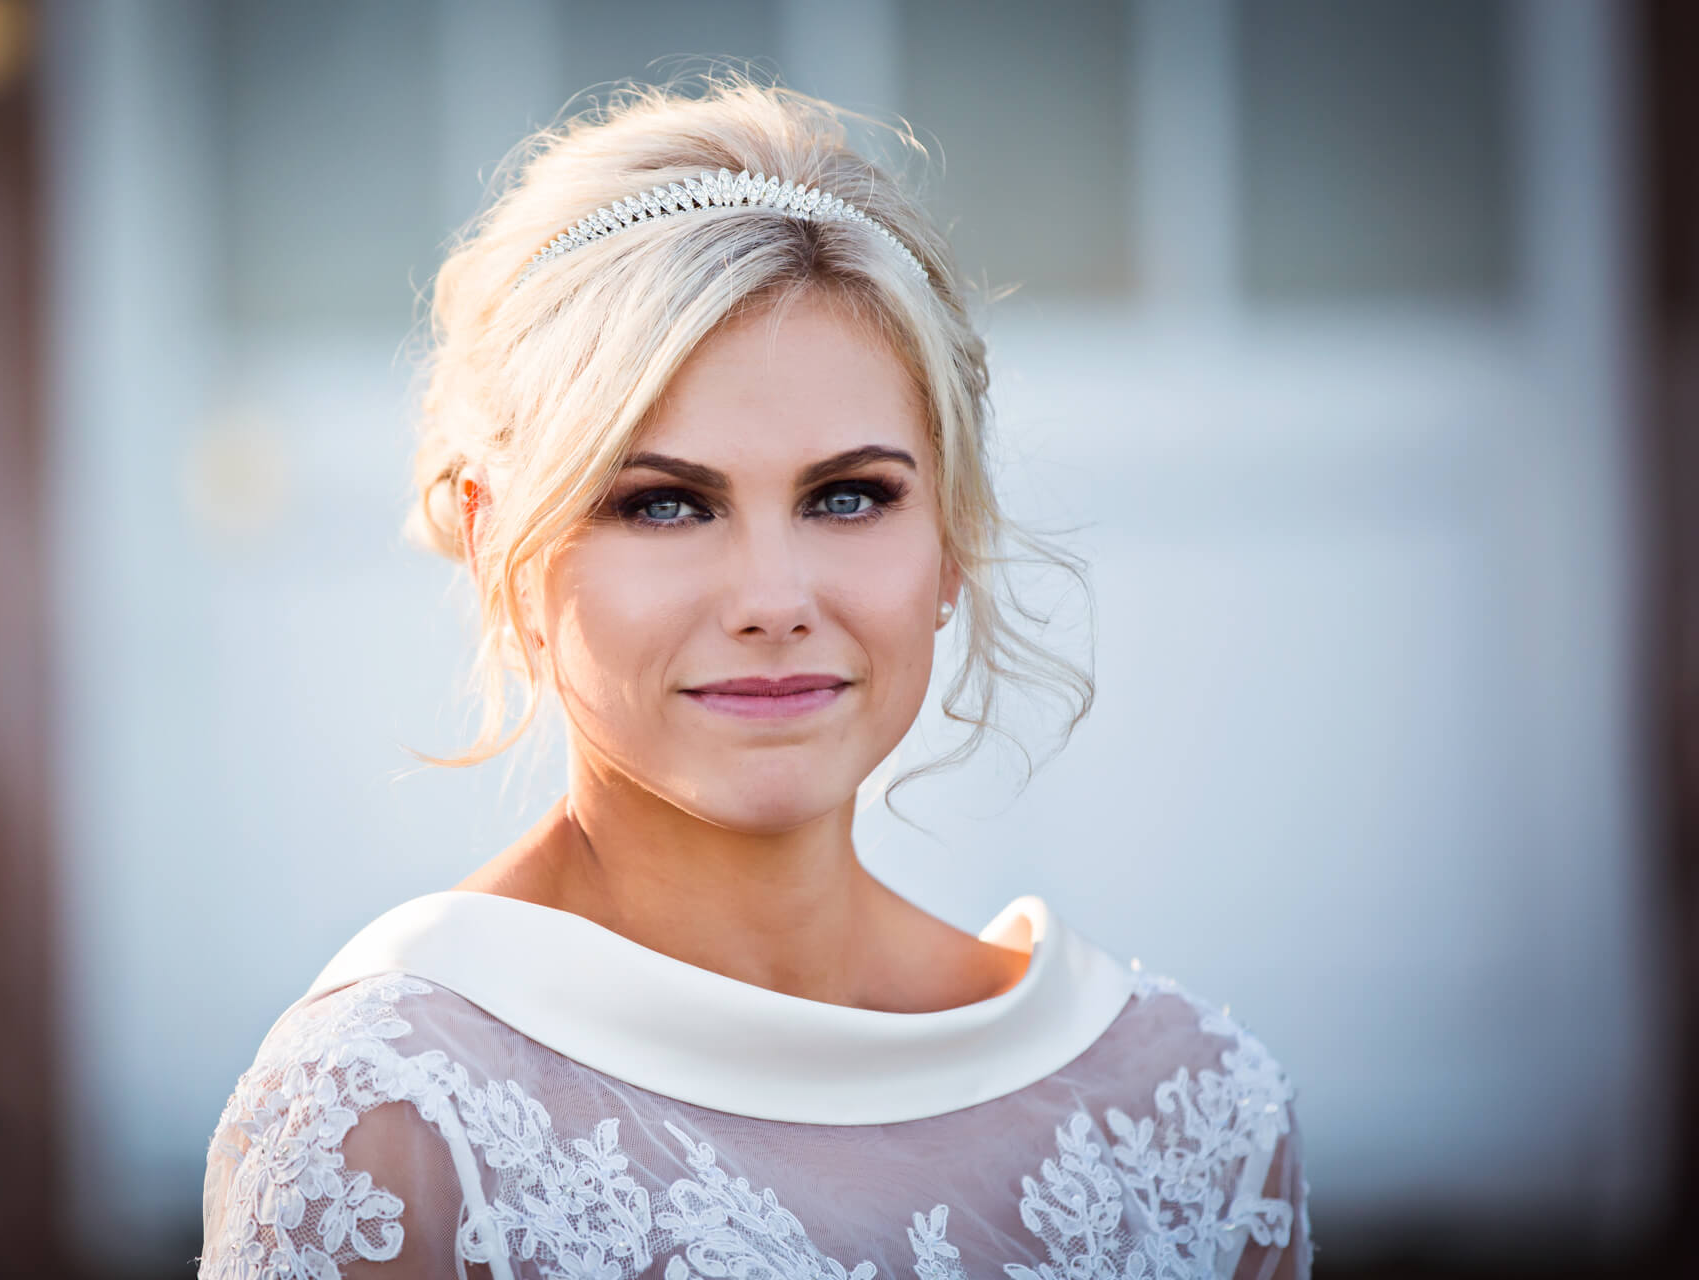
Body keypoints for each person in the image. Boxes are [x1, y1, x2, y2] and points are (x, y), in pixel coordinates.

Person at [199, 76, 1312, 1280]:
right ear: (493, 545)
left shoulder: (1192, 1116)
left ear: (949, 537)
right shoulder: (386, 1114)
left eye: (848, 495)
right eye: (664, 503)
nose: (773, 599)